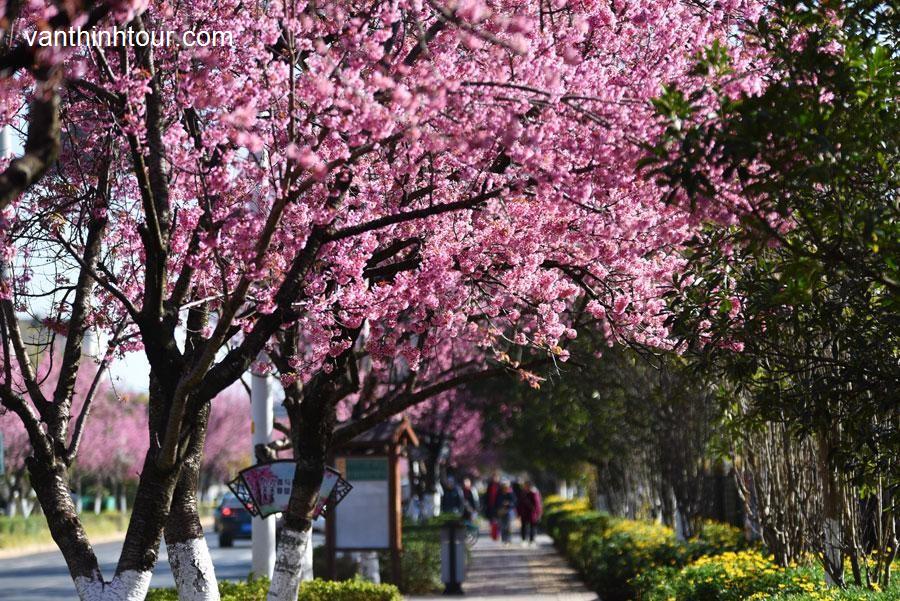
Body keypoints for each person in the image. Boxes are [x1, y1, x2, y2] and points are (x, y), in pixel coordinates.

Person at [517, 480, 543, 545]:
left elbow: (537, 504)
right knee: (524, 526)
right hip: (524, 513)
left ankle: (532, 540)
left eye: (525, 485)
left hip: (532, 513)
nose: (524, 487)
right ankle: (524, 540)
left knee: (532, 527)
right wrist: (518, 513)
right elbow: (519, 503)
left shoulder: (534, 493)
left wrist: (538, 513)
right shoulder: (523, 493)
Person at [483, 472, 501, 540]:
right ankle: (493, 534)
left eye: (496, 477)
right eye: (494, 477)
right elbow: (486, 495)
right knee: (491, 521)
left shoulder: (500, 486)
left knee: (498, 521)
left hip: (498, 506)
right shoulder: (490, 485)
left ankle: (497, 534)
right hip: (490, 505)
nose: (495, 479)